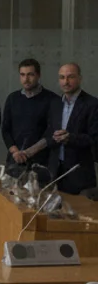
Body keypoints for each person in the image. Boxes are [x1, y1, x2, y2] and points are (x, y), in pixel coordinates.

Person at [46, 63, 98, 195]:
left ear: (80, 78)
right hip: (56, 172)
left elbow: (95, 139)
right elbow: (49, 133)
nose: (66, 82)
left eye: (71, 77)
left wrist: (70, 138)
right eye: (62, 77)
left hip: (79, 173)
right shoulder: (55, 103)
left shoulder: (92, 104)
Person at [1, 58, 57, 170]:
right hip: (14, 159)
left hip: (41, 162)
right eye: (22, 75)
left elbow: (51, 133)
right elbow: (5, 129)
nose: (26, 79)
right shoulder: (12, 98)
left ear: (38, 75)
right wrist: (15, 152)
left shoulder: (52, 100)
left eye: (30, 75)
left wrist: (27, 153)